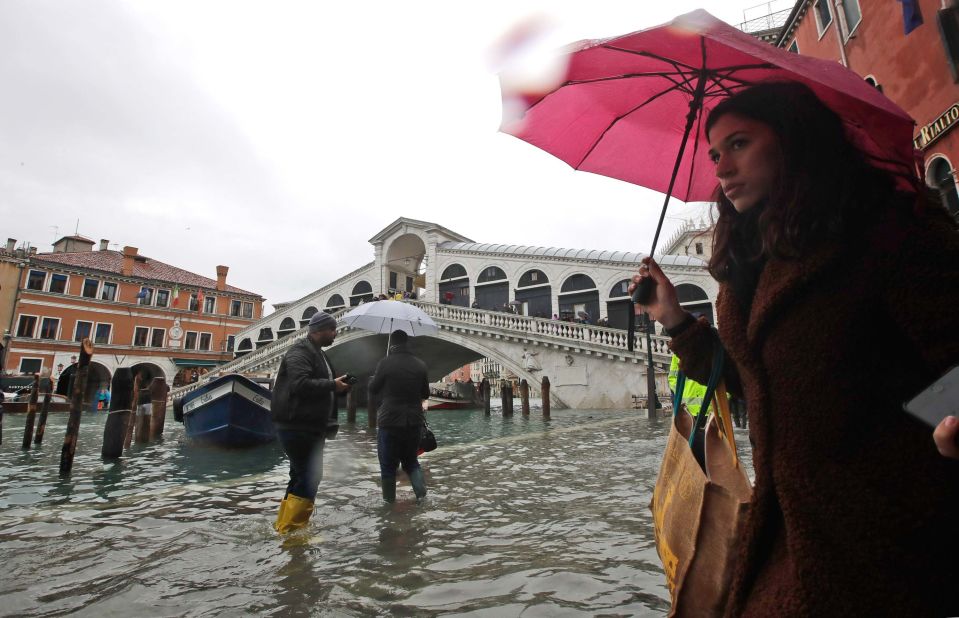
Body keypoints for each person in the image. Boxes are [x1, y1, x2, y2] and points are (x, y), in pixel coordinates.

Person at [632, 82, 959, 616]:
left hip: (888, 528)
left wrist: (950, 426)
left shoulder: (887, 230)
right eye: (715, 154)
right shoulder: (748, 267)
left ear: (793, 140)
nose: (721, 169)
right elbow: (758, 382)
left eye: (739, 144)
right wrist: (672, 318)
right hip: (789, 527)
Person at [270, 311, 352, 533]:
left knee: (300, 474)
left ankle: (285, 527)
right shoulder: (299, 351)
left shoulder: (318, 354)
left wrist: (339, 386)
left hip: (310, 426)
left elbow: (321, 385)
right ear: (319, 331)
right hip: (297, 425)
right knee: (310, 475)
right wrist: (332, 385)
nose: (335, 334)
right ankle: (293, 531)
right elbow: (299, 384)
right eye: (332, 330)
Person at [369, 329, 430, 503]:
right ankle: (422, 497)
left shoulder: (385, 363)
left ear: (392, 344)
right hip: (413, 421)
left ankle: (388, 504)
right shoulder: (420, 365)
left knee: (387, 466)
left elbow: (373, 389)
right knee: (411, 462)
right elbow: (425, 393)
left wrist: (377, 377)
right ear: (406, 343)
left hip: (390, 421)